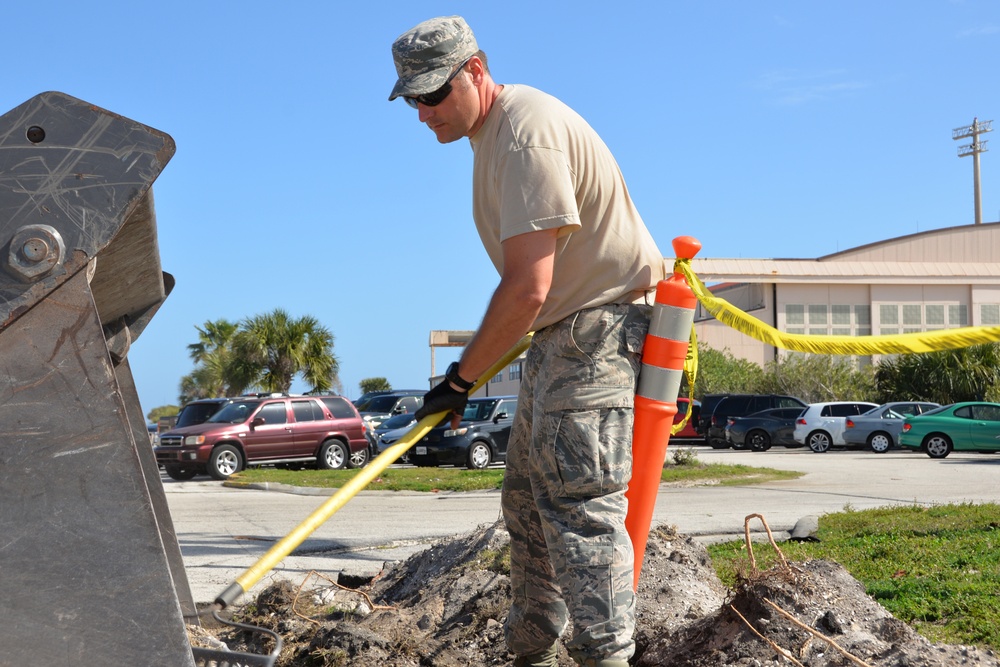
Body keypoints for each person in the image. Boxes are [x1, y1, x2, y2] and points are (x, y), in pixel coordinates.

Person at [389, 16, 665, 667]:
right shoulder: (494, 137)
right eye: (413, 100)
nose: (424, 113)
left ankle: (607, 659)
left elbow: (527, 288)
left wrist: (458, 382)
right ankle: (531, 654)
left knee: (578, 508)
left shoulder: (523, 134)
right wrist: (460, 382)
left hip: (596, 330)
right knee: (528, 505)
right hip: (564, 336)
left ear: (477, 71)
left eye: (434, 94)